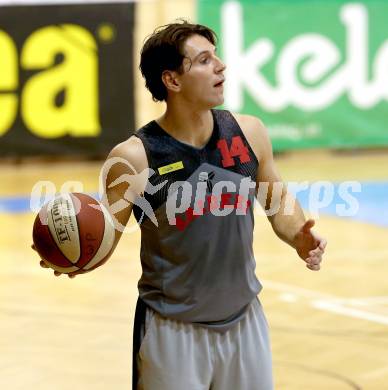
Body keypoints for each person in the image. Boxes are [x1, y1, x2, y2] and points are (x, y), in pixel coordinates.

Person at [34, 20, 326, 390]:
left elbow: (277, 200)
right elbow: (105, 235)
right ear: (172, 80)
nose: (220, 66)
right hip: (173, 333)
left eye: (216, 57)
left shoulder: (249, 132)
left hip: (245, 321)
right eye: (204, 60)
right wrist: (74, 257)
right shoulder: (135, 158)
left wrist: (299, 238)